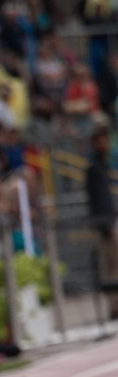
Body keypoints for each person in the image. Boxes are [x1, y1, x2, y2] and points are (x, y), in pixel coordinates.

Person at [86, 126, 118, 321]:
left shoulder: (104, 165)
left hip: (110, 221)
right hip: (106, 225)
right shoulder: (93, 168)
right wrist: (105, 225)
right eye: (101, 140)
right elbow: (97, 200)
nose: (104, 144)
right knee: (111, 268)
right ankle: (115, 308)